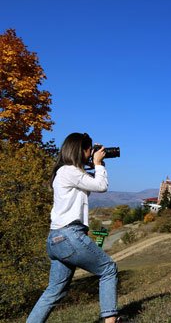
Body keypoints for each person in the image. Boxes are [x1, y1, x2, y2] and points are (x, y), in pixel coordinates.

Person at [28, 133, 119, 323]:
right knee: (108, 269)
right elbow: (101, 186)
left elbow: (91, 185)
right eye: (89, 149)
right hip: (70, 236)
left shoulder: (66, 172)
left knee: (54, 291)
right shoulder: (69, 171)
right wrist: (99, 164)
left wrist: (97, 164)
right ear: (80, 150)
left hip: (56, 239)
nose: (90, 153)